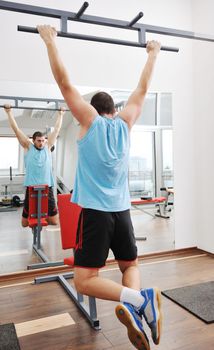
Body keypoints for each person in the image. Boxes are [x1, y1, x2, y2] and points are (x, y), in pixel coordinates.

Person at [37, 24, 162, 350]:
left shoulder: (89, 122)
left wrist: (49, 40)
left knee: (85, 280)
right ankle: (138, 305)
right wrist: (153, 53)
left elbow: (64, 84)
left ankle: (138, 299)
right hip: (122, 213)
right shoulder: (125, 122)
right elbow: (144, 88)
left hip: (95, 214)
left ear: (93, 110)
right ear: (115, 110)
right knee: (130, 265)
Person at [4, 105, 64, 227]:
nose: (41, 143)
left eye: (43, 140)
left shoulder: (47, 147)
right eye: (39, 141)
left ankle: (40, 220)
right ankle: (35, 225)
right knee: (25, 223)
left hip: (47, 187)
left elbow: (57, 129)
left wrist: (61, 114)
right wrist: (9, 112)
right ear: (33, 140)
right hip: (32, 188)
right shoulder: (28, 146)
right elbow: (16, 129)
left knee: (54, 221)